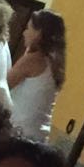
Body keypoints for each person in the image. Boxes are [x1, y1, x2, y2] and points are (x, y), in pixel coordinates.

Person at [6, 9, 64, 140]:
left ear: (39, 33)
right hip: (38, 134)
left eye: (28, 28)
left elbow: (2, 87)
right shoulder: (54, 63)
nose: (24, 33)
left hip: (19, 133)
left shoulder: (34, 60)